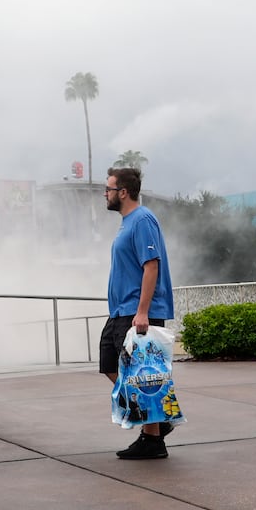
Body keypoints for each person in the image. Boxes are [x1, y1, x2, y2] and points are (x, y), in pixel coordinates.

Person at [100, 167, 176, 460]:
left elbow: (151, 265)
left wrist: (143, 312)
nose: (104, 195)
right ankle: (158, 419)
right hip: (120, 311)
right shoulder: (127, 222)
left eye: (108, 189)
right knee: (110, 364)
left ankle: (153, 439)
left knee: (142, 375)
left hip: (136, 311)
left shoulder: (142, 219)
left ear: (123, 192)